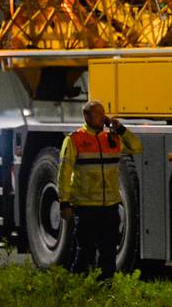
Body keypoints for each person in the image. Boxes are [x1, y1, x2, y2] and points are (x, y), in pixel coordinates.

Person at [58, 100, 142, 280]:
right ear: (86, 116)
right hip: (86, 207)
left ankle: (105, 287)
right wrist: (64, 202)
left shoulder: (111, 139)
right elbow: (64, 173)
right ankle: (77, 286)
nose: (102, 118)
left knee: (109, 253)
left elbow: (136, 147)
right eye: (98, 114)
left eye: (103, 114)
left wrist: (120, 129)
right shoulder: (74, 140)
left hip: (110, 206)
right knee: (85, 253)